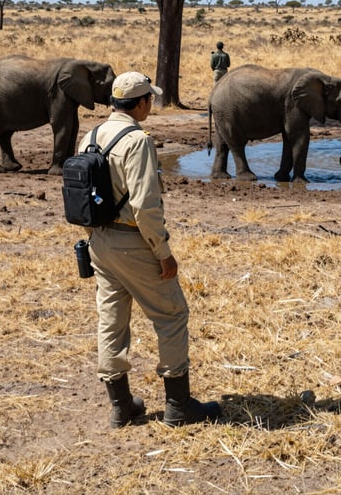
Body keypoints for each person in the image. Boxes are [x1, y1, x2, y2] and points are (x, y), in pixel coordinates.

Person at [79, 71, 220, 429]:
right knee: (171, 315)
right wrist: (163, 252)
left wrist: (94, 238)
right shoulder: (138, 140)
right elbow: (145, 206)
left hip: (99, 242)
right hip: (134, 242)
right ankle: (178, 405)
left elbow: (79, 196)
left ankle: (121, 406)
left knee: (111, 320)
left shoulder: (90, 136)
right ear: (140, 103)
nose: (152, 105)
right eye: (150, 100)